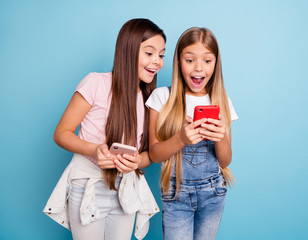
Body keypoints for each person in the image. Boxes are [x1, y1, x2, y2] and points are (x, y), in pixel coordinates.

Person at [43, 18, 166, 240]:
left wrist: (137, 161)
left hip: (126, 190)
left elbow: (150, 154)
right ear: (127, 51)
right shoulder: (95, 83)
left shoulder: (151, 99)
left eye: (161, 55)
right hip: (88, 185)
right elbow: (61, 133)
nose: (157, 61)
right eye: (149, 53)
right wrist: (93, 150)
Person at [146, 27, 238, 240]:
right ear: (178, 62)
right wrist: (181, 139)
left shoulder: (223, 102)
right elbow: (154, 154)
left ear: (216, 64)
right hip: (176, 193)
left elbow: (225, 161)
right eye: (190, 60)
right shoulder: (162, 98)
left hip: (213, 193)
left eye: (207, 60)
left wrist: (220, 136)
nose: (199, 68)